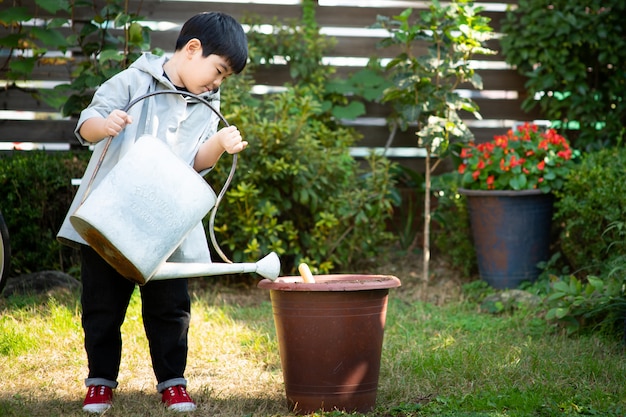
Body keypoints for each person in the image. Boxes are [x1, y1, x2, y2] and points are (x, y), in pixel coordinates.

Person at [57, 12, 248, 414]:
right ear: (192, 49)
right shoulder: (133, 80)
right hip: (111, 216)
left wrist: (217, 143)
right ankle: (100, 382)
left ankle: (173, 382)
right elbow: (87, 121)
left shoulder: (206, 101)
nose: (218, 83)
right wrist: (104, 124)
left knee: (170, 307)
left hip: (165, 223)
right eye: (218, 71)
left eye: (224, 79)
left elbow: (195, 161)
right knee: (102, 304)